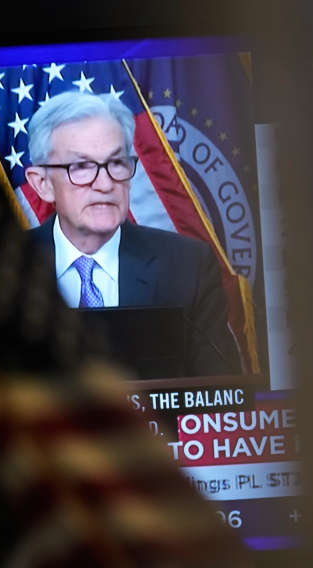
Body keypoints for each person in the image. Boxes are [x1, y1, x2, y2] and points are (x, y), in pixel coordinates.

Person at [24, 91, 243, 376]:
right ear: (42, 184)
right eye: (81, 166)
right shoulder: (1, 267)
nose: (105, 184)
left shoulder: (189, 267)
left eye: (116, 163)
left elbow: (222, 393)